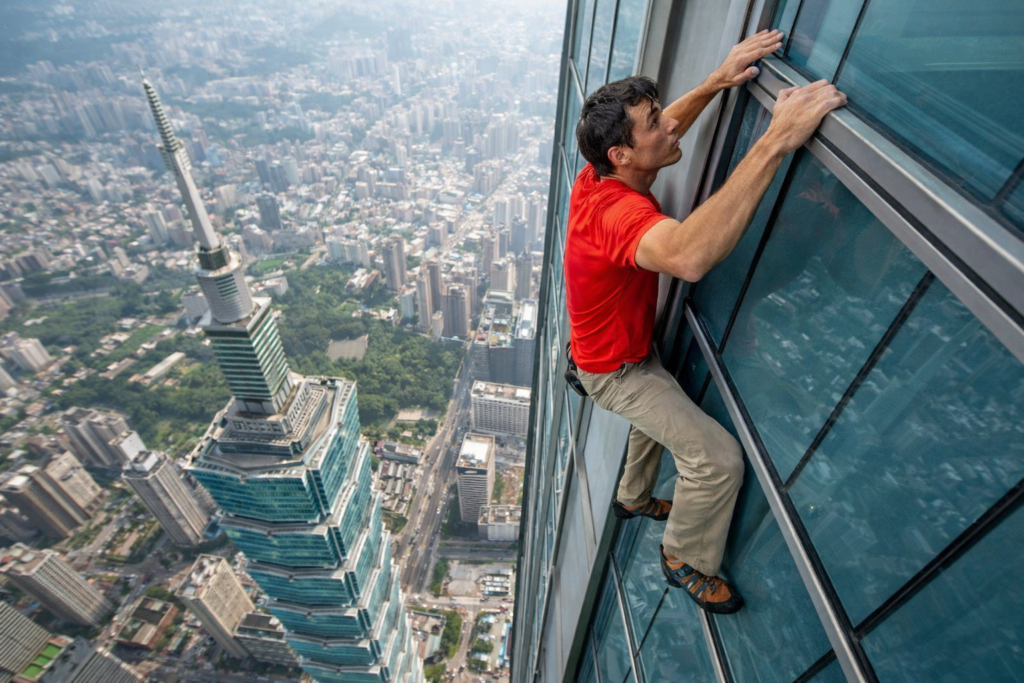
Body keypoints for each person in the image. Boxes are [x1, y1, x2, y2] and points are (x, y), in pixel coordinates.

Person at [564, 28, 847, 614]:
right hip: (615, 371)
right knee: (715, 460)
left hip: (619, 349)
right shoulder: (615, 215)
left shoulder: (598, 173)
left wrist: (720, 79)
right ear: (621, 155)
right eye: (654, 124)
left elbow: (665, 130)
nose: (670, 125)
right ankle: (684, 558)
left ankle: (634, 498)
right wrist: (774, 142)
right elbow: (690, 256)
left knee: (657, 406)